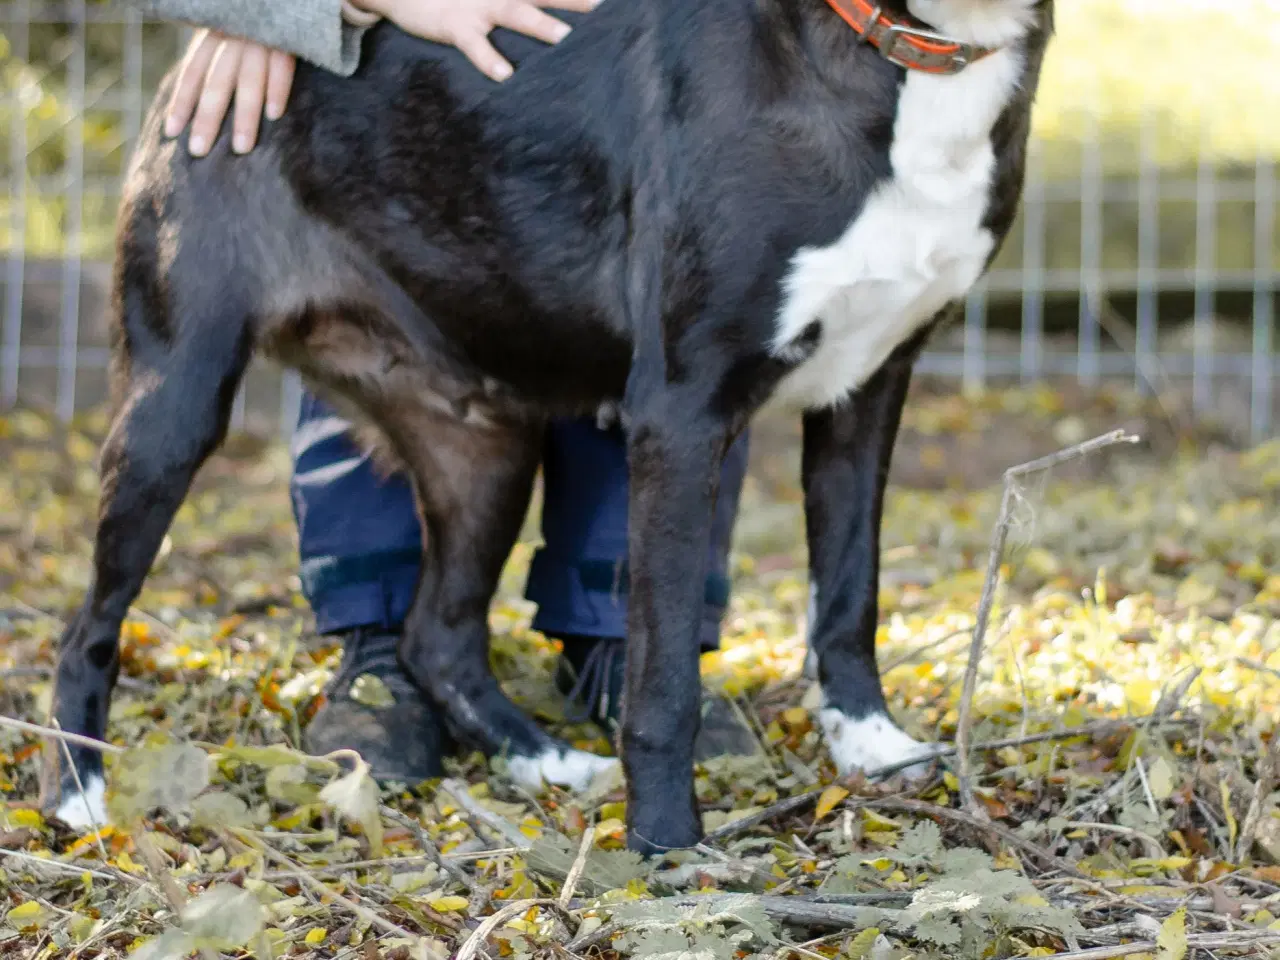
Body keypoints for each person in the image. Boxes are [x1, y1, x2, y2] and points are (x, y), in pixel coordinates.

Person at [122, 0, 756, 781]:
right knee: (371, 293)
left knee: (680, 313)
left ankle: (628, 635)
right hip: (380, 71)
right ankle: (382, 635)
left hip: (655, 73)